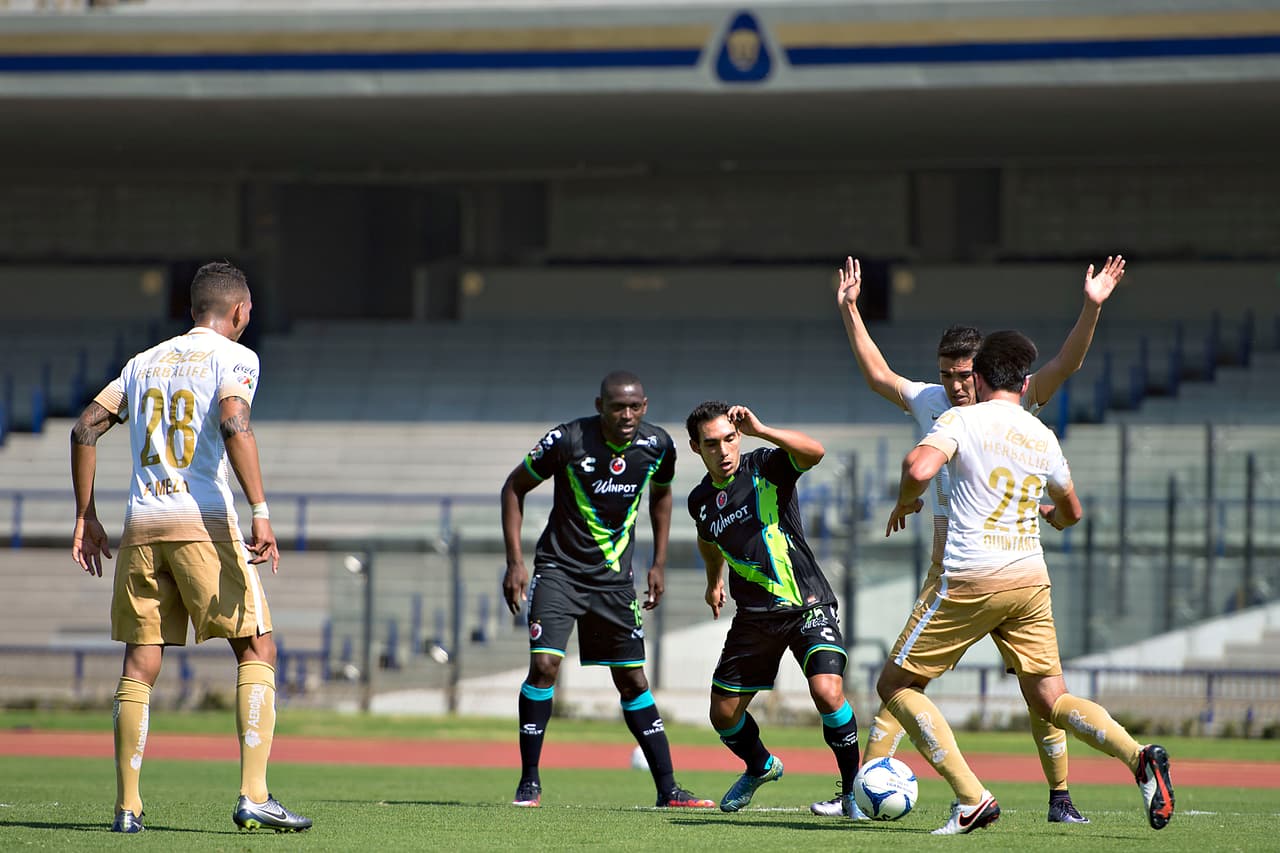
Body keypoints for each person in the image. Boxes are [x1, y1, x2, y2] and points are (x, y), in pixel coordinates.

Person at [826, 254, 1126, 823]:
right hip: (956, 554)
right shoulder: (934, 404)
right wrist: (851, 310)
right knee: (908, 676)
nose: (955, 384)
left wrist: (1091, 307)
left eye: (964, 374)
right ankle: (862, 795)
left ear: (983, 372)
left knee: (1026, 690)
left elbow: (1067, 362)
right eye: (946, 374)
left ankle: (1058, 795)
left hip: (992, 555)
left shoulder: (1010, 404)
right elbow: (878, 374)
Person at [880, 329, 1175, 836]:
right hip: (1030, 579)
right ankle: (1138, 756)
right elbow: (1072, 511)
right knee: (1052, 701)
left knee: (895, 686)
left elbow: (918, 464)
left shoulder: (961, 418)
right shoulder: (1042, 435)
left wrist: (908, 498)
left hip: (972, 575)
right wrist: (1051, 518)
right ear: (1021, 381)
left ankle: (971, 797)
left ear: (978, 376)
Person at [70, 261, 311, 834]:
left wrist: (86, 516)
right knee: (258, 649)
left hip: (142, 526)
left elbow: (83, 428)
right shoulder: (235, 358)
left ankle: (127, 807)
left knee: (140, 662)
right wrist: (261, 511)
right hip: (203, 523)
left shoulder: (142, 362)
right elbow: (234, 423)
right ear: (239, 312)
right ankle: (254, 793)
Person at [500, 371, 714, 810]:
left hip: (615, 581)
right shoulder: (567, 440)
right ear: (600, 406)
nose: (627, 415)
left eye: (635, 407)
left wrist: (658, 562)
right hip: (559, 571)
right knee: (544, 668)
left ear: (646, 406)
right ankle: (529, 781)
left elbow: (662, 494)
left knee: (633, 680)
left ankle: (669, 789)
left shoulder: (658, 446)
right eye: (618, 407)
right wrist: (515, 562)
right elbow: (514, 486)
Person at [685, 402, 866, 819]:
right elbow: (708, 542)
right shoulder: (700, 500)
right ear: (696, 448)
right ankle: (761, 766)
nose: (723, 450)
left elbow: (814, 452)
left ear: (739, 437)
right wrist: (713, 580)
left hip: (806, 604)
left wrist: (762, 429)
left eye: (729, 439)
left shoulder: (766, 465)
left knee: (827, 691)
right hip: (753, 618)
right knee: (724, 715)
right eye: (711, 444)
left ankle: (851, 793)